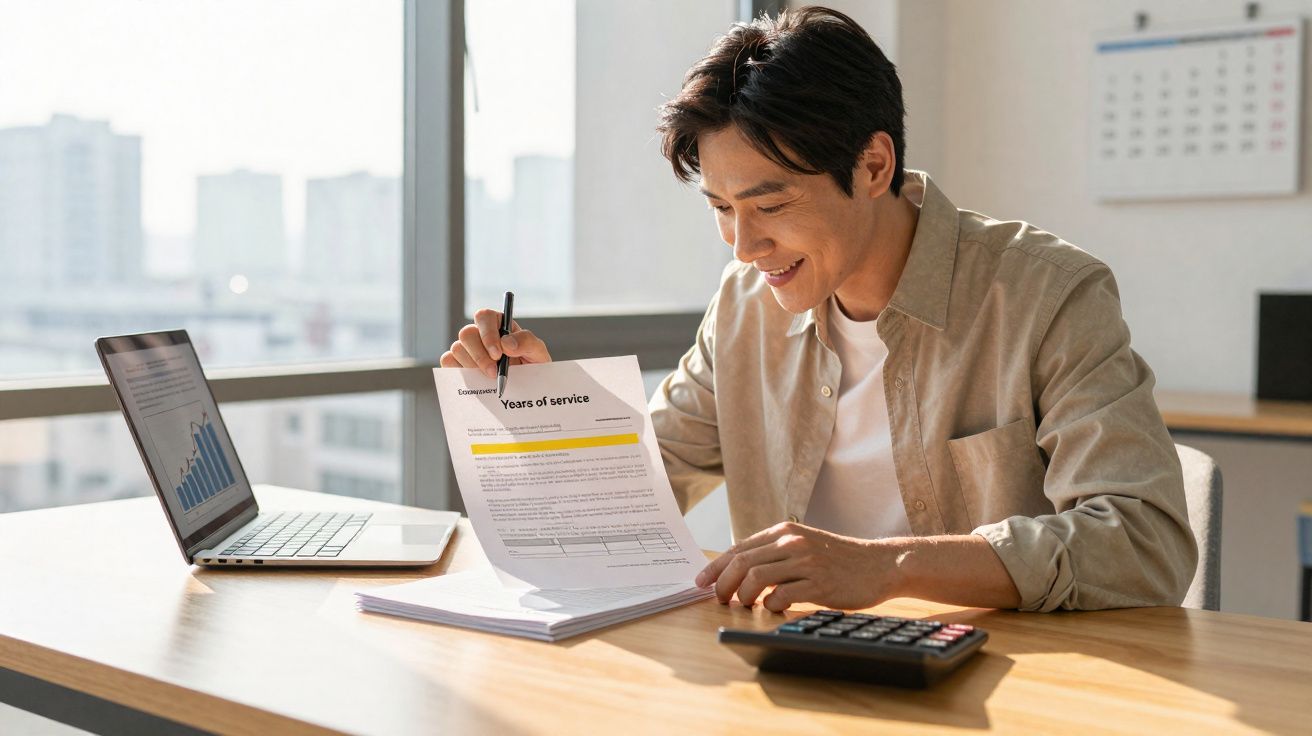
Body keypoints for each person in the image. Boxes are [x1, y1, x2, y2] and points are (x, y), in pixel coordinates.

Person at [441, 6, 1197, 614]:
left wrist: (886, 567)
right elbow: (636, 495)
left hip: (1001, 685)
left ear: (872, 165)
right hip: (793, 672)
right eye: (721, 209)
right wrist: (543, 410)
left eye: (770, 205)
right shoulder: (744, 308)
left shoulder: (1047, 295)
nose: (744, 247)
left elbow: (1143, 543)